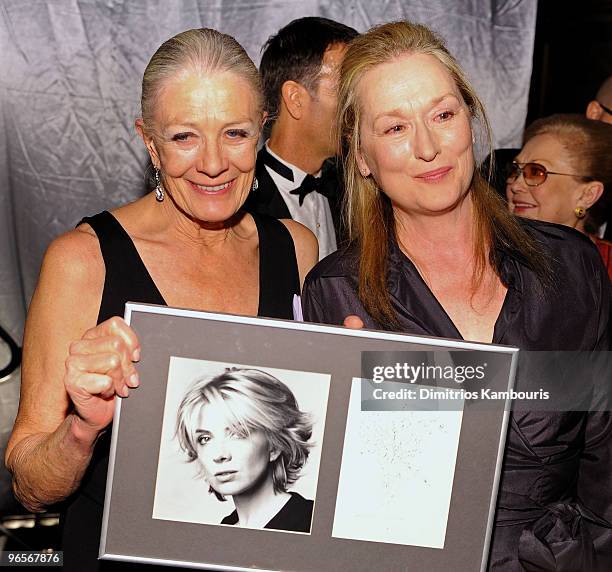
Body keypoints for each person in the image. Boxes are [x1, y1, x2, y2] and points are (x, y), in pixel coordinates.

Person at [302, 21, 612, 570]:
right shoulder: (339, 293)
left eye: (443, 114)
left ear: (470, 119)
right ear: (361, 156)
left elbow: (604, 458)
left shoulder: (571, 264)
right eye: (395, 127)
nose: (428, 147)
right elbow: (342, 493)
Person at [5, 28, 317, 571]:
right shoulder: (83, 259)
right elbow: (32, 487)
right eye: (184, 137)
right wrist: (82, 428)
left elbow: (304, 431)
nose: (214, 163)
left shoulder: (297, 246)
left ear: (261, 133)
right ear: (149, 141)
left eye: (236, 134)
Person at [244, 17, 358, 258]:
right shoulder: (241, 204)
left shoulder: (357, 192)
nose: (358, 104)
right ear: (295, 99)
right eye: (346, 89)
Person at [175, 367, 314, 533]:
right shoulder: (221, 534)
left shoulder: (311, 522)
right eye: (205, 439)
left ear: (275, 446)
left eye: (237, 434)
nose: (220, 455)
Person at [506, 114, 612, 279]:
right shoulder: (487, 256)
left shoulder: (607, 270)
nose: (515, 185)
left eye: (536, 172)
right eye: (515, 171)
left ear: (587, 195)